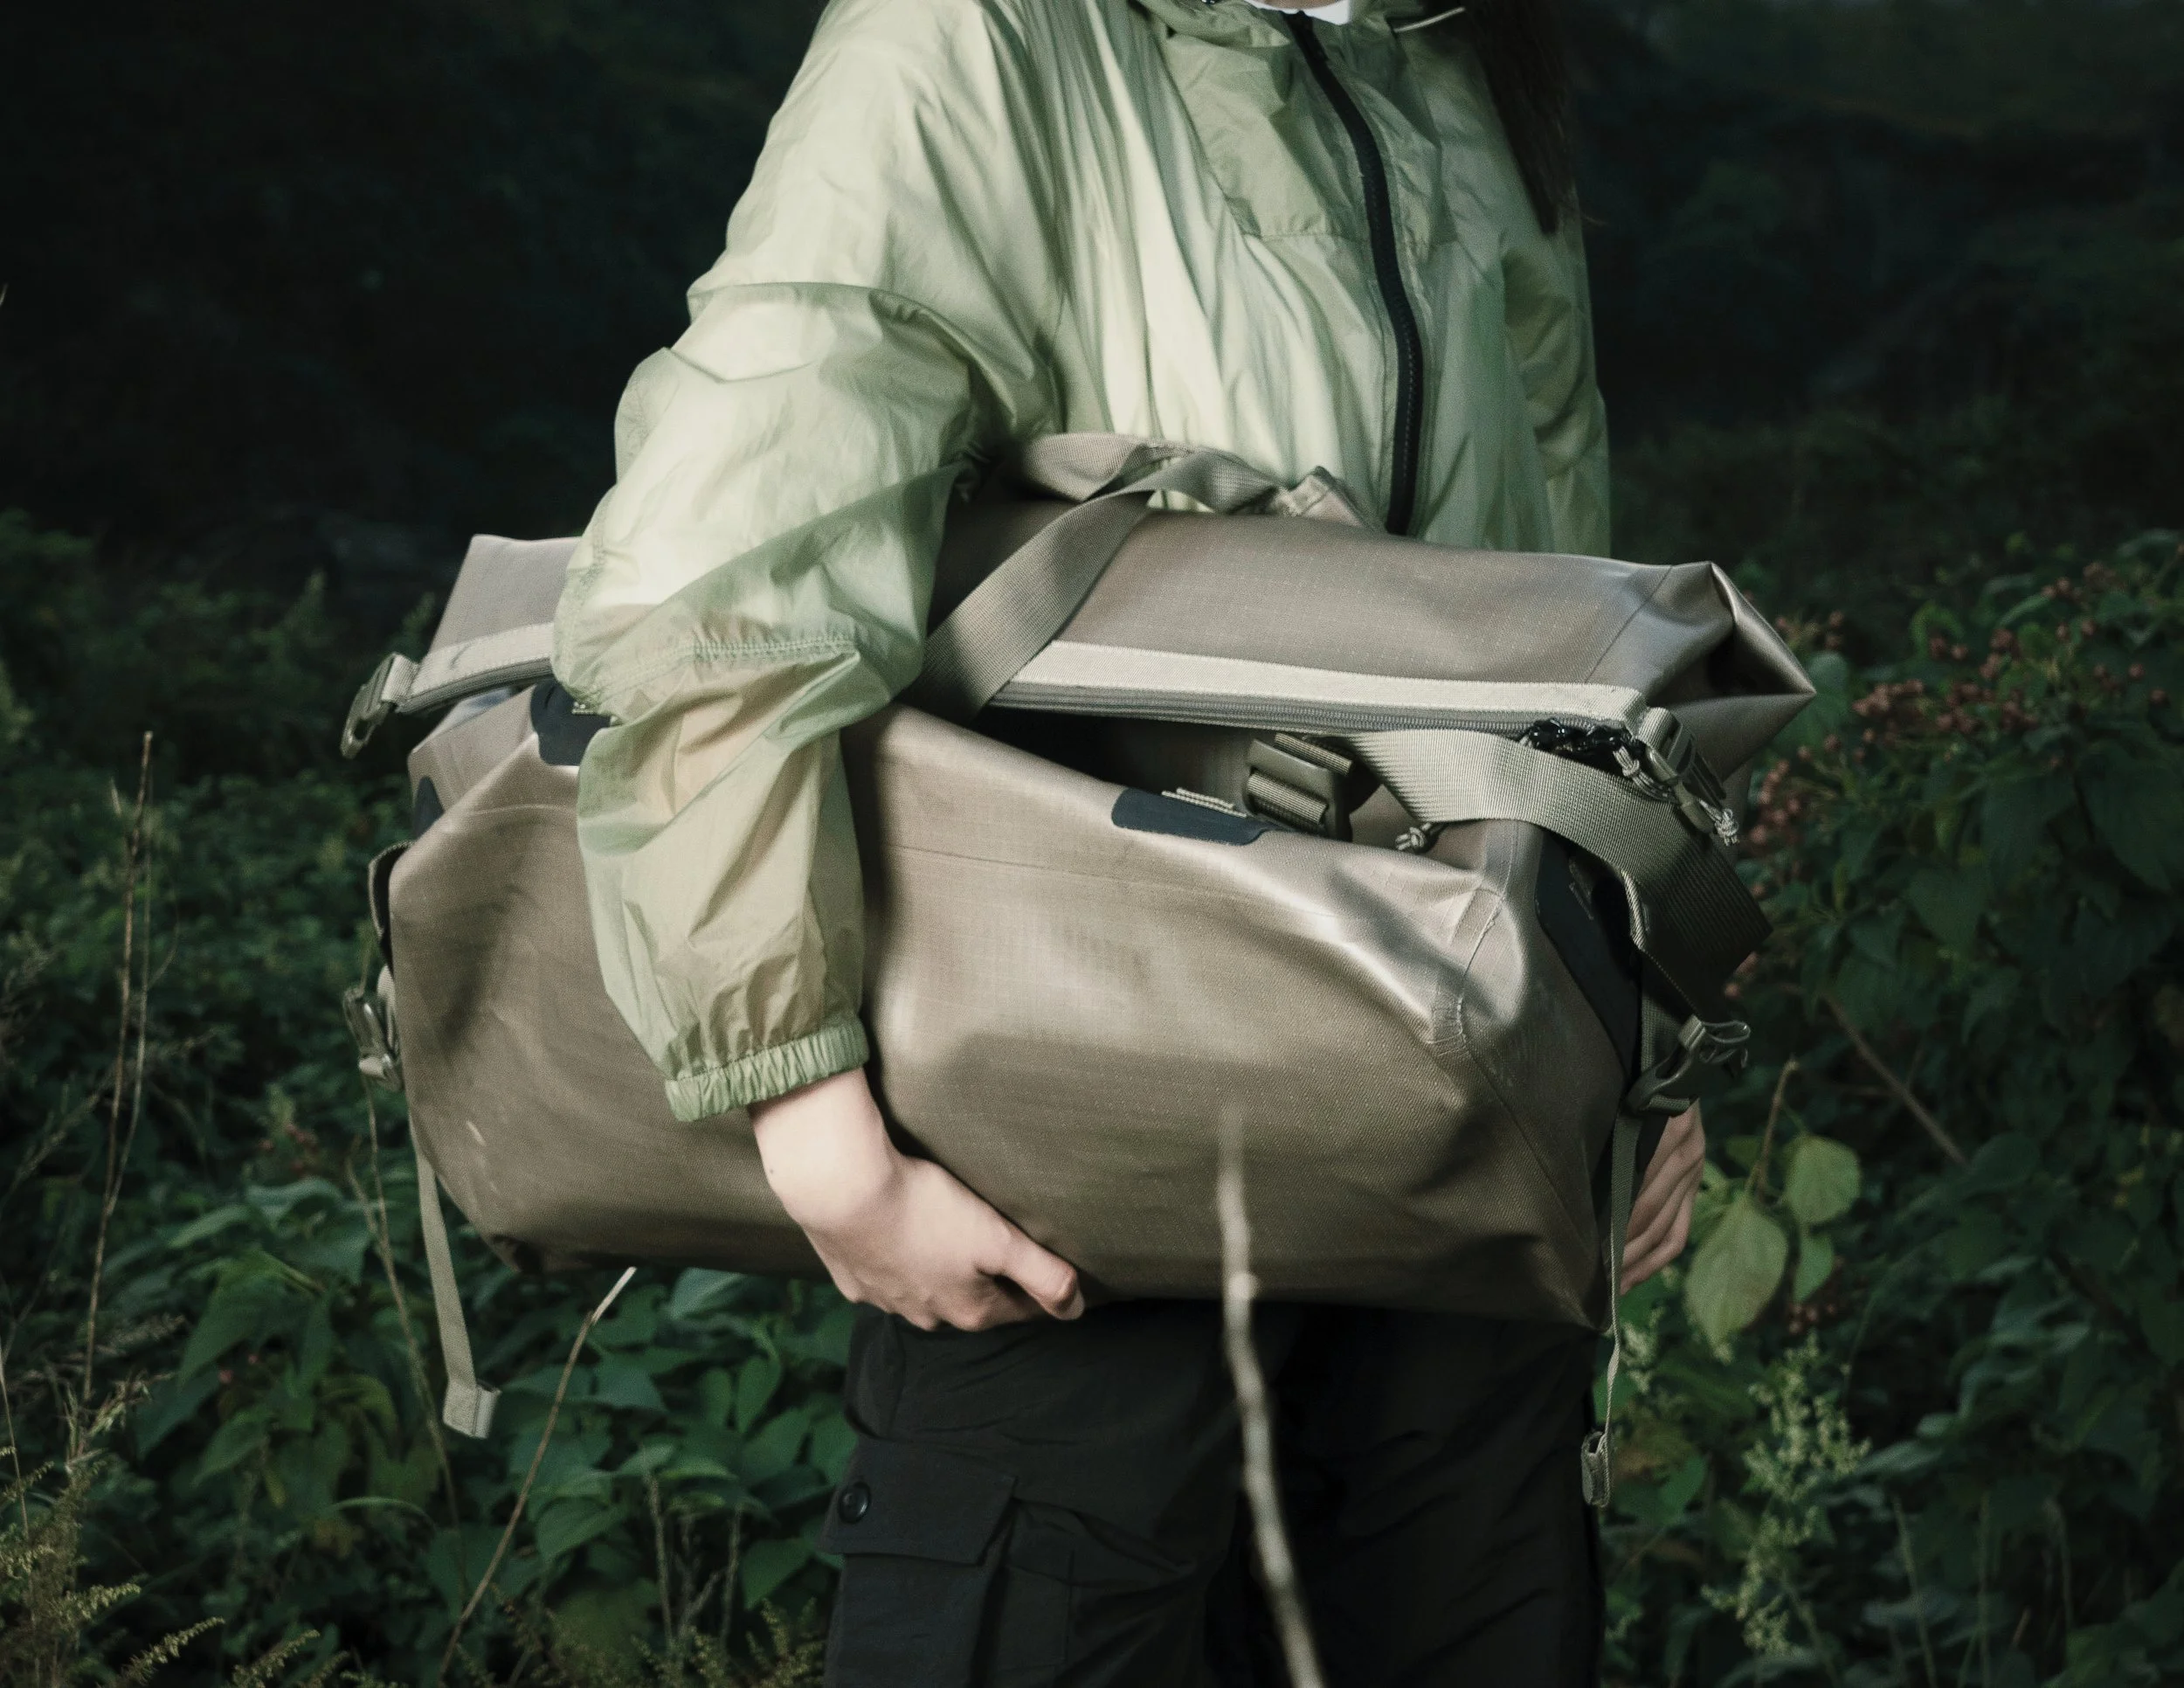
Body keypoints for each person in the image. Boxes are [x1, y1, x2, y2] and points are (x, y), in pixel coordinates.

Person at [554, 0, 1708, 1678]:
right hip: (1087, 1149)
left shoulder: (1453, 62)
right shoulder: (979, 35)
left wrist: (1625, 1037)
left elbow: (1561, 628)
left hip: (1446, 1192)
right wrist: (813, 1127)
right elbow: (727, 576)